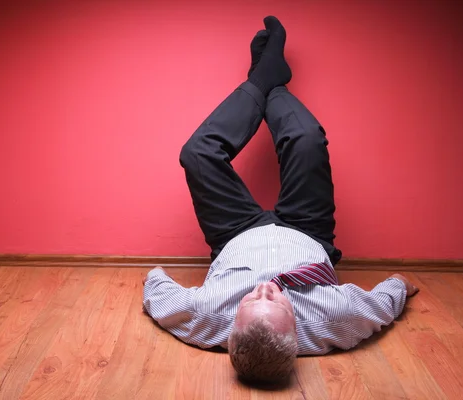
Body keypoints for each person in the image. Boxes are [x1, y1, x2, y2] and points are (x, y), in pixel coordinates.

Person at [142, 16, 419, 384]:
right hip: (307, 232)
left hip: (236, 235)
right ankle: (269, 76)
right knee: (307, 141)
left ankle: (263, 76)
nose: (264, 290)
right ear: (298, 331)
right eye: (275, 303)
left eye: (250, 302)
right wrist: (404, 284)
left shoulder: (206, 317)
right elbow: (384, 302)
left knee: (197, 154)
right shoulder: (336, 319)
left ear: (229, 331)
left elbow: (156, 290)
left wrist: (154, 276)